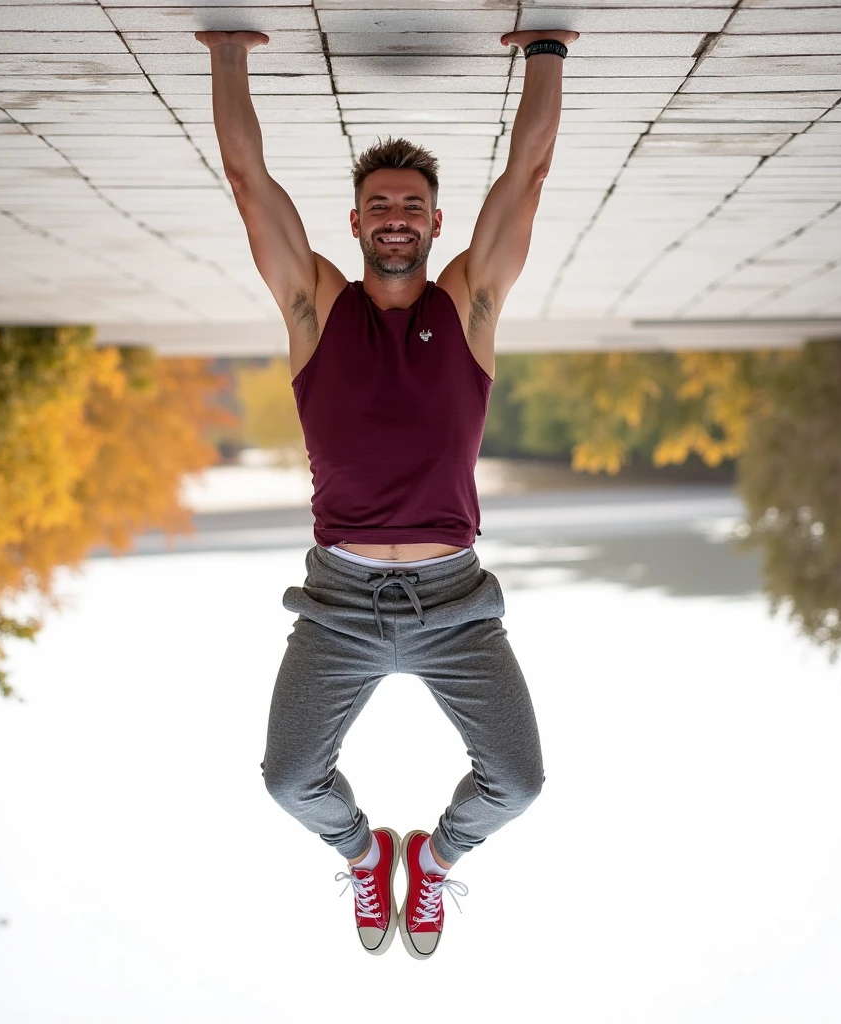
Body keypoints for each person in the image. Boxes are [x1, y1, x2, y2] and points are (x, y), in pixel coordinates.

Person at [195, 26, 578, 959]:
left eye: (412, 204)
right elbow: (250, 186)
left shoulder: (470, 304)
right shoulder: (316, 307)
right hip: (339, 605)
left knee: (517, 785)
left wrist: (547, 51)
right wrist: (226, 50)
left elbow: (524, 179)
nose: (397, 216)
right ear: (357, 221)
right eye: (379, 205)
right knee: (291, 781)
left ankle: (435, 864)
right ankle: (367, 857)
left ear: (435, 223)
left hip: (454, 605)